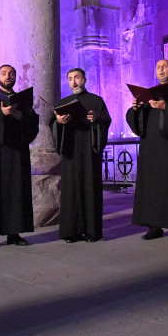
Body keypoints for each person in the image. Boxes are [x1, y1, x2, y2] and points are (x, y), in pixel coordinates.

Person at [127, 59, 168, 241]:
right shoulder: (149, 94)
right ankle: (154, 226)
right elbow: (137, 123)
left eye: (164, 66)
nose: (161, 70)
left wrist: (166, 106)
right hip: (150, 147)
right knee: (152, 187)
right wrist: (135, 109)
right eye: (158, 67)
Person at [0, 64, 39, 250]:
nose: (8, 76)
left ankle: (14, 233)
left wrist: (21, 118)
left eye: (11, 74)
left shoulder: (23, 101)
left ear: (15, 77)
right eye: (4, 73)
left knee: (17, 191)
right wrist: (0, 114)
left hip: (17, 153)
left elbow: (33, 122)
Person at [49, 68, 111, 242]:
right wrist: (59, 122)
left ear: (84, 79)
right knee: (70, 190)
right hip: (70, 152)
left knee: (90, 188)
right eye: (70, 79)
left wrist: (96, 119)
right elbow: (52, 122)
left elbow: (106, 121)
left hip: (89, 152)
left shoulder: (96, 101)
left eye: (77, 78)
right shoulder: (64, 102)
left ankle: (92, 232)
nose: (73, 82)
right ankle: (71, 232)